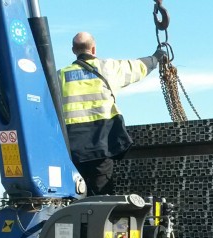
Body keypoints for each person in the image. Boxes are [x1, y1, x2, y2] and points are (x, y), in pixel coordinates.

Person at [59, 32, 163, 195]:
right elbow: (137, 68)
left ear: (73, 50)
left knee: (72, 197)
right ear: (93, 49)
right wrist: (156, 57)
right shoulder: (107, 68)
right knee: (101, 198)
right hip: (100, 146)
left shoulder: (60, 76)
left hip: (72, 150)